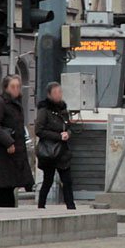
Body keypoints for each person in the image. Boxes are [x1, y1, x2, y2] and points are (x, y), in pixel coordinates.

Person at [0, 75, 35, 208]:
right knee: (4, 186)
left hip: (15, 152)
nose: (16, 89)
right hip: (5, 152)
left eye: (18, 87)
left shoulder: (16, 104)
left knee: (11, 185)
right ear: (6, 88)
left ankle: (10, 209)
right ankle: (3, 211)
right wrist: (8, 142)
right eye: (12, 87)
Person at [35, 82, 75, 210]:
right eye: (56, 93)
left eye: (60, 92)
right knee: (48, 180)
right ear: (49, 95)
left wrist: (68, 134)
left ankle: (71, 206)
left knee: (67, 180)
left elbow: (69, 127)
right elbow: (39, 130)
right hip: (49, 151)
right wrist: (58, 136)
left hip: (62, 151)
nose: (59, 95)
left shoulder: (63, 110)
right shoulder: (44, 110)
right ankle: (41, 205)